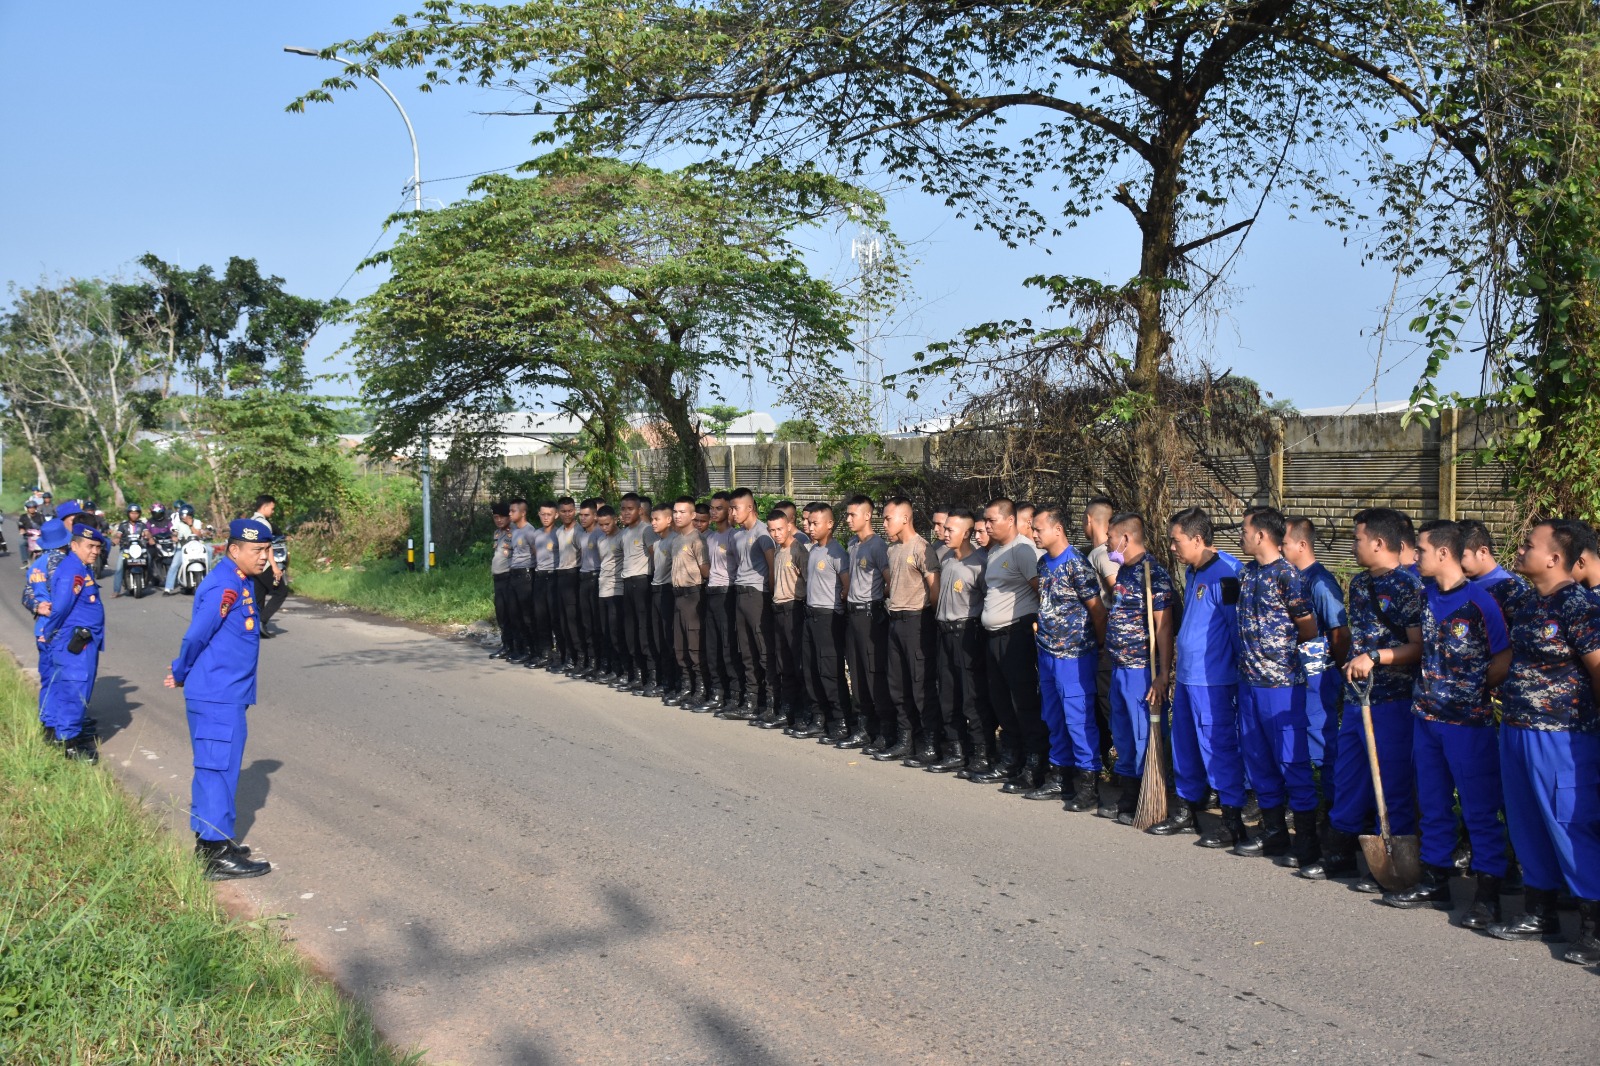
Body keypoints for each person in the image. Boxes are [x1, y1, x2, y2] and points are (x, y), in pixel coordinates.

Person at [1380, 519, 1512, 924]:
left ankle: (1488, 894)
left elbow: (1503, 657)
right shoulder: (1426, 596)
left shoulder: (1481, 601)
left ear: (1442, 553)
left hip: (1467, 724)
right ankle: (1435, 880)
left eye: (1419, 550)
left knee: (1478, 808)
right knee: (1434, 804)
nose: (1414, 556)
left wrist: (1469, 692)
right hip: (1427, 717)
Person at [1485, 519, 1600, 965]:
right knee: (1527, 820)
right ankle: (1540, 910)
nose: (1520, 549)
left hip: (1563, 735)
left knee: (1571, 823)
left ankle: (1593, 926)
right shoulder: (1532, 604)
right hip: (1517, 729)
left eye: (1529, 545)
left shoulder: (1580, 606)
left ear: (1554, 557)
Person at [1306, 507, 1424, 886]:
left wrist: (1374, 658)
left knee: (1390, 780)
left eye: (1357, 538)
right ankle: (1339, 854)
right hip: (1358, 699)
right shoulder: (1358, 584)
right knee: (1350, 774)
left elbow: (1417, 646)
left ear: (1378, 542)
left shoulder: (1409, 586)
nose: (1353, 545)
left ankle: (1392, 862)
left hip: (1392, 700)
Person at [164, 518, 275, 881]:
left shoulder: (238, 581)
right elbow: (195, 636)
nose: (264, 557)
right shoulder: (223, 586)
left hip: (225, 693)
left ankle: (217, 842)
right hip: (216, 695)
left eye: (266, 550)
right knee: (216, 770)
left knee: (221, 768)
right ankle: (214, 856)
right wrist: (180, 671)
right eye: (258, 550)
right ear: (234, 550)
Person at [1155, 507, 1250, 847]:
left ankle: (1232, 819)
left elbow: (1238, 633)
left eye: (1176, 541)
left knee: (1219, 748)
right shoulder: (1194, 571)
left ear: (1197, 539)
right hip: (1188, 679)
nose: (1171, 548)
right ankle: (1186, 809)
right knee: (1185, 747)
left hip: (1215, 682)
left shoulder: (1226, 574)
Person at [1235, 505, 1322, 863]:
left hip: (1281, 684)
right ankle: (1272, 833)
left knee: (1291, 760)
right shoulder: (1247, 574)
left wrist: (1280, 658)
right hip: (1249, 683)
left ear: (1260, 535)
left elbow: (1309, 628)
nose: (1240, 536)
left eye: (1244, 530)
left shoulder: (1288, 575)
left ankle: (1305, 842)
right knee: (1258, 759)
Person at [1025, 504, 1107, 808]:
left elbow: (1097, 612)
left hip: (1074, 655)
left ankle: (1089, 783)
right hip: (1047, 653)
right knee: (1054, 717)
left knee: (1078, 718)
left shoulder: (1077, 565)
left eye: (1038, 528)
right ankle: (1059, 776)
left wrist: (1097, 648)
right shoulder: (1044, 563)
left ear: (1057, 529)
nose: (1033, 534)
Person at [1098, 512, 1175, 824]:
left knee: (1145, 734)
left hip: (1142, 670)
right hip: (1119, 667)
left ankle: (1151, 797)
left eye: (1110, 537)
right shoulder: (1124, 572)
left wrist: (1162, 673)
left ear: (1125, 539)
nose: (1106, 543)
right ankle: (1129, 797)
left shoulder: (1153, 575)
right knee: (1124, 734)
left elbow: (1164, 629)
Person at [974, 498, 1046, 789]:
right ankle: (1011, 759)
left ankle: (1034, 765)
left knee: (1023, 703)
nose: (987, 525)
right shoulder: (995, 553)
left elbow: (1041, 591)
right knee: (1001, 702)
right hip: (994, 638)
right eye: (985, 521)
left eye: (991, 520)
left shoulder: (1023, 550)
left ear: (1010, 520)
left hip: (1016, 635)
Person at [1283, 517, 1350, 779]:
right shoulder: (1291, 578)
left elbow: (1339, 633)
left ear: (1302, 545)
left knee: (1321, 739)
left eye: (1284, 543)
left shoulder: (1320, 583)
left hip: (1319, 675)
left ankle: (1333, 803)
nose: (1279, 548)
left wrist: (1337, 669)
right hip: (1296, 675)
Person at [39, 524, 108, 762]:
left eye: (98, 547)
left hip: (79, 640)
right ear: (74, 545)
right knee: (75, 689)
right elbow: (61, 608)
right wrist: (47, 633)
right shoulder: (73, 571)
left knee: (65, 686)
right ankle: (70, 744)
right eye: (90, 546)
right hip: (75, 642)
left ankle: (61, 733)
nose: (95, 551)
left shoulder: (80, 567)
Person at [882, 497, 943, 767]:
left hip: (917, 620)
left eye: (888, 518)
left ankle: (929, 742)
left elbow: (934, 588)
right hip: (894, 619)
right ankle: (906, 739)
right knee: (898, 684)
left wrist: (929, 617)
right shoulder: (892, 549)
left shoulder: (922, 547)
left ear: (905, 518)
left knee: (921, 685)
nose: (884, 523)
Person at [933, 509, 993, 778]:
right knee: (948, 693)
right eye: (944, 529)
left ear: (967, 533)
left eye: (951, 530)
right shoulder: (946, 560)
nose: (945, 534)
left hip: (967, 633)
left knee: (972, 694)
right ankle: (956, 750)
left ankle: (982, 752)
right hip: (943, 632)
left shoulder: (980, 564)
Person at [843, 496, 895, 756]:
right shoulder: (852, 544)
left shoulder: (878, 546)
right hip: (852, 615)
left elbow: (889, 582)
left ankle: (885, 729)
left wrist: (874, 599)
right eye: (847, 514)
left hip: (870, 614)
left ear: (867, 516)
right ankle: (863, 726)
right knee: (857, 671)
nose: (848, 519)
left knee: (874, 672)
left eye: (853, 514)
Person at [802, 503, 852, 742]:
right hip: (811, 615)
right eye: (809, 523)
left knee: (830, 671)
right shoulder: (813, 551)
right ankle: (818, 717)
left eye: (815, 523)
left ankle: (841, 721)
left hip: (828, 617)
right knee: (811, 668)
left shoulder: (837, 552)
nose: (810, 528)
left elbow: (847, 585)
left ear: (830, 524)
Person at [729, 488, 775, 721]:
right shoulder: (737, 536)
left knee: (763, 650)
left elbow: (772, 566)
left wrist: (771, 593)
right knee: (745, 649)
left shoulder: (763, 533)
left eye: (736, 507)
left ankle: (771, 701)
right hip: (741, 593)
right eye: (731, 508)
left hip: (758, 594)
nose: (732, 512)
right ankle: (751, 700)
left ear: (749, 507)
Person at [24, 518, 72, 738]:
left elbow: (26, 595)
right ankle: (60, 727)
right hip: (59, 630)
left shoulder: (36, 565)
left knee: (48, 678)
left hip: (41, 629)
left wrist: (38, 607)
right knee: (63, 680)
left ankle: (47, 724)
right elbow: (63, 597)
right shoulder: (62, 563)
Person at [1083, 495, 1120, 769]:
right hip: (1108, 644)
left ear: (1088, 521)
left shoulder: (1101, 554)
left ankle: (1124, 767)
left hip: (1106, 644)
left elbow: (1117, 591)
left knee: (1109, 707)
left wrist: (1103, 639)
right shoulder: (1106, 552)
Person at [765, 507, 810, 733]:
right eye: (772, 530)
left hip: (795, 609)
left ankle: (803, 712)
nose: (776, 534)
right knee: (783, 664)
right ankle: (787, 710)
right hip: (778, 609)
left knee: (797, 663)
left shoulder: (798, 550)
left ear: (788, 526)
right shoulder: (778, 550)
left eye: (780, 529)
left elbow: (809, 581)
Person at [667, 497, 713, 709]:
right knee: (680, 644)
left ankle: (701, 689)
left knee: (694, 645)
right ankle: (687, 686)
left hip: (693, 595)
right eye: (675, 512)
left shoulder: (697, 539)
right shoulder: (676, 539)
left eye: (682, 512)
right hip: (677, 595)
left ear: (693, 515)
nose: (677, 515)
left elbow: (705, 571)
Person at [702, 492, 741, 713]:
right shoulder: (711, 537)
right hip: (712, 592)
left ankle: (734, 694)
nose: (714, 512)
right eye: (712, 508)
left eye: (719, 508)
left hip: (729, 592)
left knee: (728, 646)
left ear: (729, 510)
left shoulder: (734, 536)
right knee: (713, 645)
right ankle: (717, 692)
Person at [618, 493, 660, 694]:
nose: (626, 513)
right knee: (630, 630)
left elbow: (655, 557)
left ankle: (652, 677)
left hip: (642, 583)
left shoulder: (647, 530)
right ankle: (637, 674)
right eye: (623, 509)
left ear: (640, 510)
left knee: (644, 632)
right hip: (627, 584)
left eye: (630, 509)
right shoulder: (625, 532)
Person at [648, 503, 678, 698]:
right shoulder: (657, 544)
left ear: (669, 520)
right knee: (658, 637)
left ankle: (675, 682)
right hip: (656, 590)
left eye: (656, 519)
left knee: (670, 639)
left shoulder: (675, 541)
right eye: (651, 519)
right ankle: (664, 679)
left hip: (669, 592)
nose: (653, 523)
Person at [553, 497, 584, 674]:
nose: (567, 514)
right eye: (563, 511)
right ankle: (567, 657)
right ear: (559, 513)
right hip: (560, 576)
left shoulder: (578, 531)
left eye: (570, 511)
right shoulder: (559, 532)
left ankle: (578, 660)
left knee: (573, 621)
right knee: (563, 620)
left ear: (575, 511)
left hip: (573, 575)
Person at [594, 506, 626, 680]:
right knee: (606, 632)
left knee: (616, 633)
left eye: (607, 524)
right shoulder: (601, 540)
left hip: (617, 590)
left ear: (615, 519)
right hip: (603, 589)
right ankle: (610, 667)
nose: (604, 527)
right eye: (601, 524)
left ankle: (621, 670)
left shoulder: (622, 537)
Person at [248, 495, 287, 636]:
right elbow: (267, 546)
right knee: (281, 592)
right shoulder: (264, 524)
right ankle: (262, 620)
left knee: (260, 593)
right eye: (272, 508)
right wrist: (275, 567)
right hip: (263, 564)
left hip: (252, 565)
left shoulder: (250, 522)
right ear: (264, 507)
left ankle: (255, 627)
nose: (273, 511)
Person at [489, 503, 521, 660]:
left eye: (502, 517)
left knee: (512, 613)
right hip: (498, 578)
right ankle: (506, 645)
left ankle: (517, 647)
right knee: (501, 613)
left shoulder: (515, 532)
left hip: (510, 577)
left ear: (509, 516)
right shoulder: (497, 533)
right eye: (496, 517)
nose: (499, 520)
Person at [576, 499, 603, 677]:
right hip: (583, 578)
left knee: (597, 623)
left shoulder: (601, 533)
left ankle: (602, 662)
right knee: (586, 622)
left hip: (597, 578)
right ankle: (590, 661)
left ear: (595, 516)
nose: (583, 518)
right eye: (581, 515)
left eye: (587, 515)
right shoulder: (581, 534)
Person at [532, 501, 561, 669]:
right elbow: (535, 553)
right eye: (542, 514)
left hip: (554, 577)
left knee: (555, 617)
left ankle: (560, 654)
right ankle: (545, 653)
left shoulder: (559, 534)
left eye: (549, 514)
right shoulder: (536, 534)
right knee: (540, 617)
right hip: (539, 577)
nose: (545, 517)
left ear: (556, 515)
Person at [110, 504, 149, 597]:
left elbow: (147, 533)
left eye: (136, 513)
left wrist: (149, 537)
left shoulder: (142, 525)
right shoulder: (123, 525)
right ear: (128, 514)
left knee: (149, 560)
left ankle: (148, 578)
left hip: (140, 549)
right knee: (119, 567)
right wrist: (116, 540)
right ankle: (116, 591)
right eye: (132, 513)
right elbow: (118, 535)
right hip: (126, 550)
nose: (134, 515)